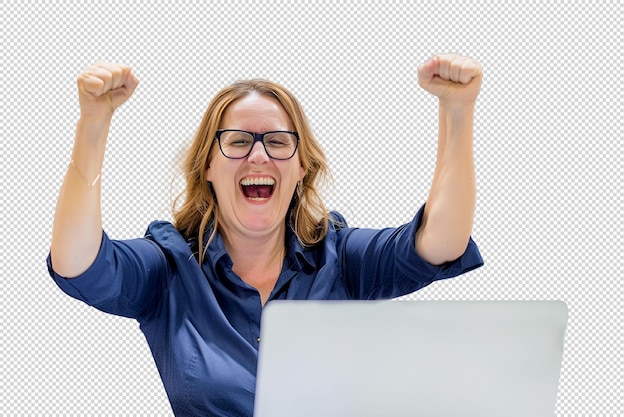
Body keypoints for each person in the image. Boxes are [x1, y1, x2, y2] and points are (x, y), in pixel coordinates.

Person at [48, 53, 484, 417]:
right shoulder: (167, 267)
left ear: (301, 169)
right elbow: (78, 261)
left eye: (278, 142)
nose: (258, 154)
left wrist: (457, 111)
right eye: (237, 142)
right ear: (208, 168)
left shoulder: (343, 258)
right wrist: (93, 122)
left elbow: (442, 242)